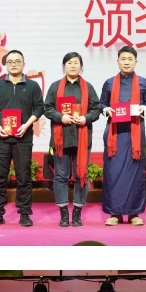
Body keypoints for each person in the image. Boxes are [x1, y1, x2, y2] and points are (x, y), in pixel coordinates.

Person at [0, 50, 44, 227]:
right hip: (1, 137)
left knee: (23, 176)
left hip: (23, 137)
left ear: (23, 64)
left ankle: (25, 213)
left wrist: (26, 125)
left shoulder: (32, 86)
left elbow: (39, 108)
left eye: (17, 61)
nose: (14, 64)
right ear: (6, 64)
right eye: (10, 61)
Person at [100, 47, 146, 226]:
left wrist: (144, 108)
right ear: (117, 61)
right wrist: (106, 110)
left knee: (135, 174)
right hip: (115, 134)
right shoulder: (109, 83)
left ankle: (134, 213)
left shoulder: (143, 83)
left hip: (135, 134)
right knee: (113, 173)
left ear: (135, 62)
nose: (126, 62)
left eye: (130, 59)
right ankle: (114, 213)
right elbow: (101, 103)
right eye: (123, 59)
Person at [44, 52, 101, 227]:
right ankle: (63, 214)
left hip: (81, 137)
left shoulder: (88, 87)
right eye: (69, 63)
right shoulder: (55, 86)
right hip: (61, 139)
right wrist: (60, 117)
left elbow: (96, 109)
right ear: (64, 66)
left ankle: (77, 213)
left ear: (81, 66)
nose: (73, 65)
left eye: (76, 62)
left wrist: (86, 118)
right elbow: (47, 108)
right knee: (60, 176)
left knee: (80, 175)